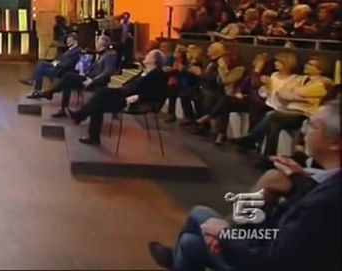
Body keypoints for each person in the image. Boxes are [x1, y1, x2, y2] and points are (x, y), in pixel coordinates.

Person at [148, 101, 340, 271]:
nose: (305, 130)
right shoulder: (327, 187)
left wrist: (224, 235)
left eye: (313, 125)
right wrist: (300, 180)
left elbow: (271, 259)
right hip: (268, 243)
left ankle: (183, 254)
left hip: (261, 258)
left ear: (335, 143)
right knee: (191, 240)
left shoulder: (323, 202)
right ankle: (180, 256)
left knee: (197, 222)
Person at [71, 49, 168, 145]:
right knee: (99, 96)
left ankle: (84, 122)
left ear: (154, 60)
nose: (146, 56)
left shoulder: (158, 74)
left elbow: (157, 94)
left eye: (149, 55)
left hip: (133, 100)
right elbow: (129, 84)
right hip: (124, 93)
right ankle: (85, 124)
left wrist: (139, 97)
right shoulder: (144, 72)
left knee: (99, 99)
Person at [40, 35, 118, 117]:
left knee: (68, 76)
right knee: (67, 80)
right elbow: (93, 69)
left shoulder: (110, 55)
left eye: (98, 43)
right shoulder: (100, 54)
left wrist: (93, 80)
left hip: (96, 82)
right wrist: (84, 74)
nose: (96, 45)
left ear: (102, 44)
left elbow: (108, 71)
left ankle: (51, 93)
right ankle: (63, 108)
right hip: (89, 78)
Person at [22, 33, 81, 98]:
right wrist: (58, 62)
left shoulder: (76, 51)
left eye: (70, 41)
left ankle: (36, 88)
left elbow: (68, 64)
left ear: (75, 41)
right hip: (60, 67)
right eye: (67, 40)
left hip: (62, 71)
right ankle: (33, 83)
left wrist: (57, 64)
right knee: (41, 64)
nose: (67, 42)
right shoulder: (71, 49)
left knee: (40, 70)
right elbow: (65, 60)